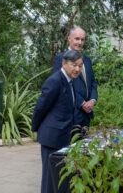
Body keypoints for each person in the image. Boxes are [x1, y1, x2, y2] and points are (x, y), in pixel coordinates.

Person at [32, 50, 83, 193]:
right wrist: (35, 128)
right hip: (52, 138)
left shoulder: (70, 81)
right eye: (74, 65)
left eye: (80, 66)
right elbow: (40, 108)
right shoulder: (54, 81)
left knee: (61, 178)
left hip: (65, 137)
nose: (77, 69)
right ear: (64, 64)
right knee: (49, 179)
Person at [53, 27, 98, 131]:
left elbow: (93, 83)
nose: (80, 42)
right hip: (71, 114)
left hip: (86, 115)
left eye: (82, 40)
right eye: (77, 39)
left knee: (85, 146)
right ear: (69, 38)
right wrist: (82, 103)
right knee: (70, 146)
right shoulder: (61, 59)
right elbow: (63, 85)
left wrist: (92, 100)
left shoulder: (87, 60)